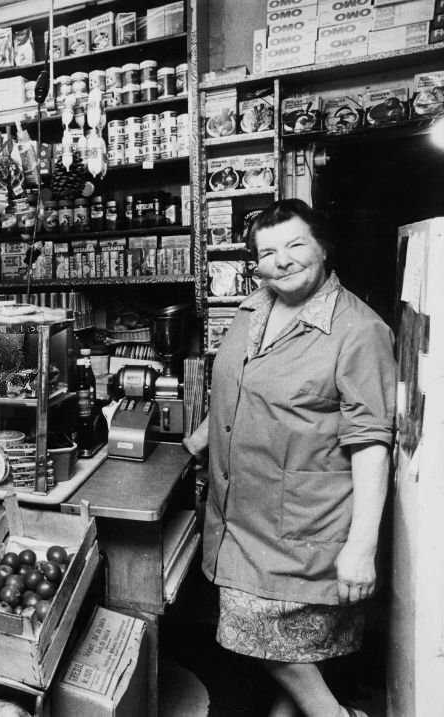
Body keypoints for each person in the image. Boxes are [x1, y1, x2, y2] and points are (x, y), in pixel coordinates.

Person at [183, 199, 395, 717]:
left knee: (264, 638)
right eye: (268, 251)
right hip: (242, 518)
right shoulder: (253, 310)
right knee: (290, 651)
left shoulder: (359, 332)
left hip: (304, 528)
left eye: (296, 244)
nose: (282, 260)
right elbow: (240, 388)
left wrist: (361, 547)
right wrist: (197, 441)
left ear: (323, 247)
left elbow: (371, 443)